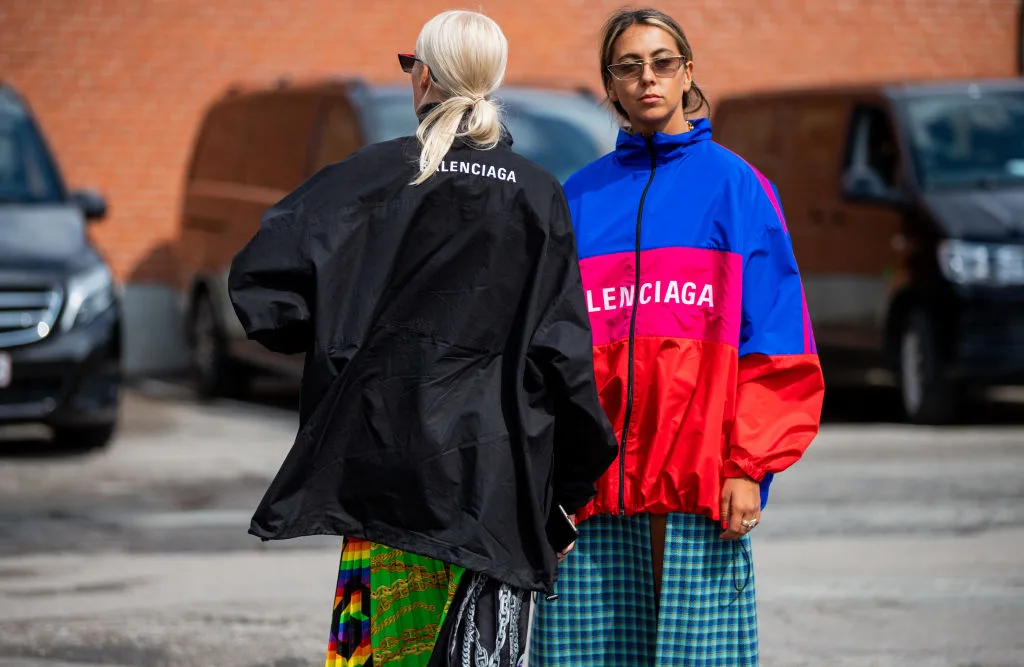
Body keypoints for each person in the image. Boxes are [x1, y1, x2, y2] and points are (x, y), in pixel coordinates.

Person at [227, 10, 618, 667]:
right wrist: (567, 493)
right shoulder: (537, 193)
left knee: (388, 654)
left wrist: (339, 334)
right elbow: (562, 356)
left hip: (383, 473)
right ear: (491, 82)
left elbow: (262, 289)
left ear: (425, 76)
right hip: (490, 487)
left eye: (411, 67)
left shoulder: (370, 177)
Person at [527, 7, 825, 666]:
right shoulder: (578, 198)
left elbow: (777, 343)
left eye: (662, 63)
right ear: (609, 85)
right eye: (628, 68)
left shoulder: (740, 190)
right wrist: (549, 480)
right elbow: (546, 357)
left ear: (688, 71)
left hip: (700, 491)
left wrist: (749, 467)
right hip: (592, 500)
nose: (647, 80)